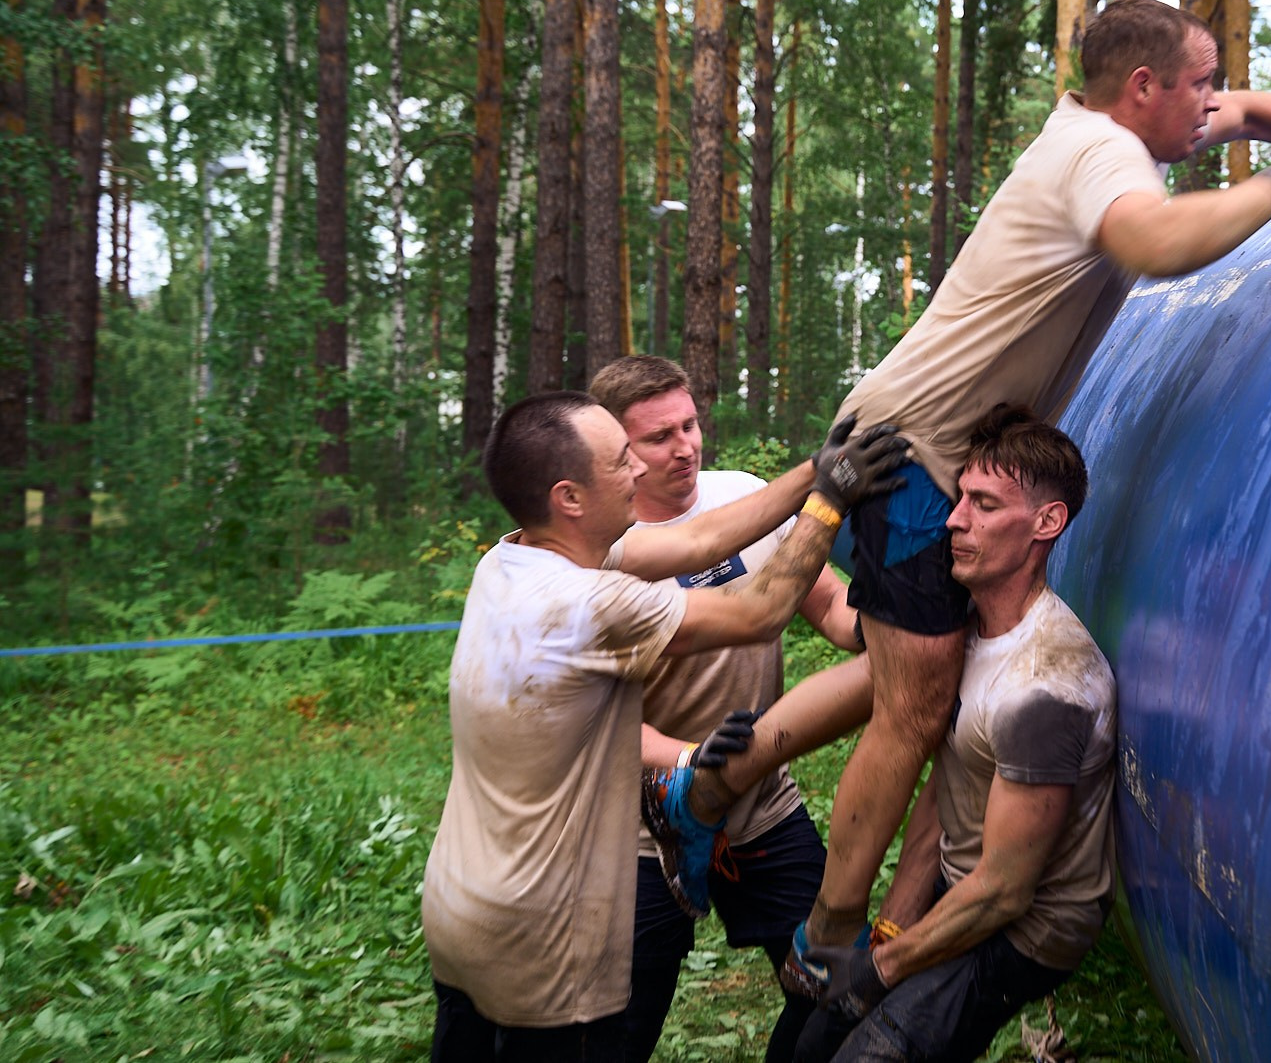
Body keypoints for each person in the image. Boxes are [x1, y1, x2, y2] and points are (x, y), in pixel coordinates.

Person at [779, 0, 1271, 981]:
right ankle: (827, 935)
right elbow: (1152, 246)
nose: (1210, 100)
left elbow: (1246, 110)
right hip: (911, 460)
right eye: (1193, 82)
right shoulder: (1101, 160)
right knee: (913, 707)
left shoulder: (1108, 129)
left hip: (930, 448)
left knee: (918, 689)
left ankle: (855, 897)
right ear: (1139, 88)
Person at [421, 391, 905, 1061]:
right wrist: (828, 504)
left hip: (461, 904)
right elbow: (761, 611)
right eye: (622, 460)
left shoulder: (510, 561)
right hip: (545, 930)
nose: (640, 473)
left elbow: (697, 538)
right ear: (570, 497)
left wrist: (816, 472)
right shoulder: (585, 603)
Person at [786, 406, 1115, 1062]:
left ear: (1046, 523)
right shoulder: (964, 634)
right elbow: (949, 788)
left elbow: (1004, 889)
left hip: (1024, 929)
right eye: (959, 495)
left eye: (984, 504)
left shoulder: (1045, 687)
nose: (955, 518)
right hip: (962, 883)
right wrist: (890, 927)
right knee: (810, 1036)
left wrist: (881, 970)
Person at [588, 355, 863, 1063]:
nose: (685, 446)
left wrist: (893, 627)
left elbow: (828, 602)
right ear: (616, 455)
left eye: (689, 424)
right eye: (659, 437)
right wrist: (687, 761)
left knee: (831, 992)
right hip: (645, 824)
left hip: (760, 800)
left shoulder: (743, 499)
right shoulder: (596, 558)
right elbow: (602, 721)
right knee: (621, 1026)